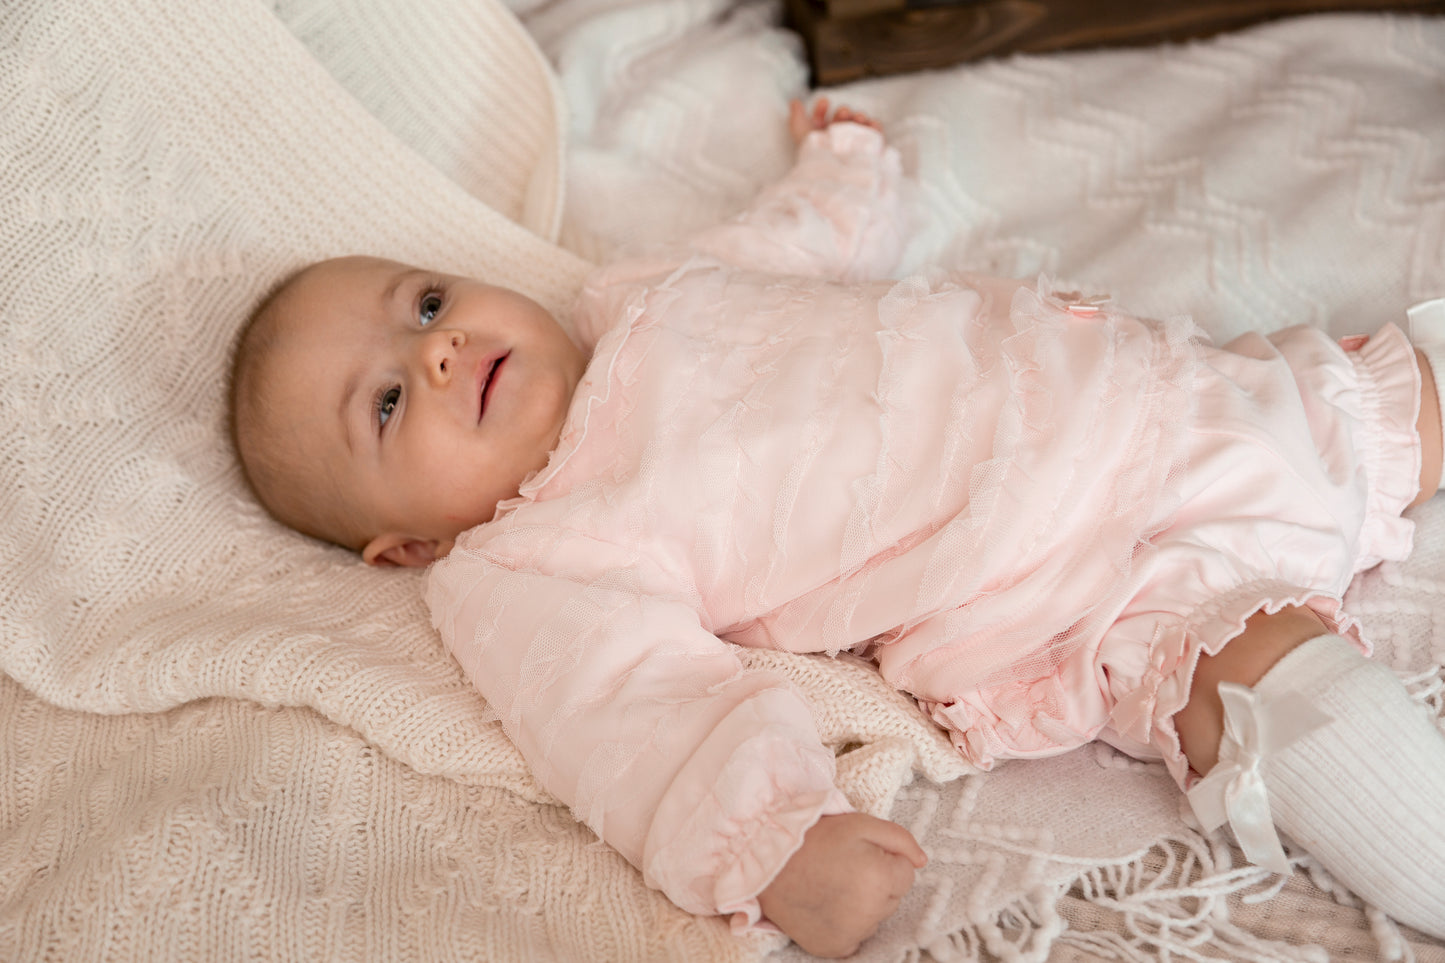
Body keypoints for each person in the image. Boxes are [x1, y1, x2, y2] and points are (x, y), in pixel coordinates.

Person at [230, 99, 1445, 955]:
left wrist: (845, 170)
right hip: (1085, 587)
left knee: (1402, 391)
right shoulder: (531, 557)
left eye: (425, 302)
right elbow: (625, 715)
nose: (435, 348)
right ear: (411, 547)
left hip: (1171, 400)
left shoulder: (636, 297)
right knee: (1279, 705)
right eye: (387, 403)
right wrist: (770, 844)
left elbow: (794, 250)